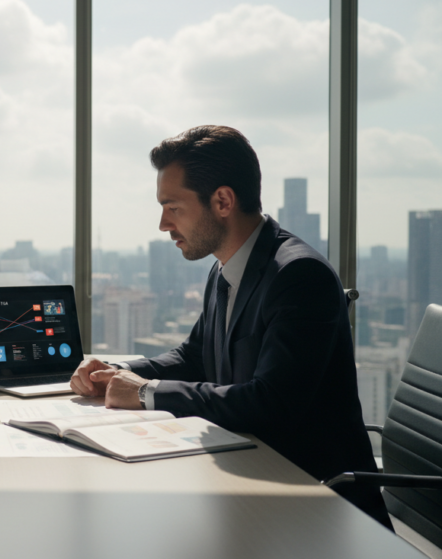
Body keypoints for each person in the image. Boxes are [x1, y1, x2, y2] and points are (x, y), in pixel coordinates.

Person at [70, 125, 391, 529]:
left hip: (317, 506)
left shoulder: (298, 275)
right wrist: (120, 373)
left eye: (173, 207)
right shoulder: (228, 267)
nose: (163, 224)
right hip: (255, 482)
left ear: (222, 200)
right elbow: (194, 355)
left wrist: (147, 393)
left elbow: (269, 405)